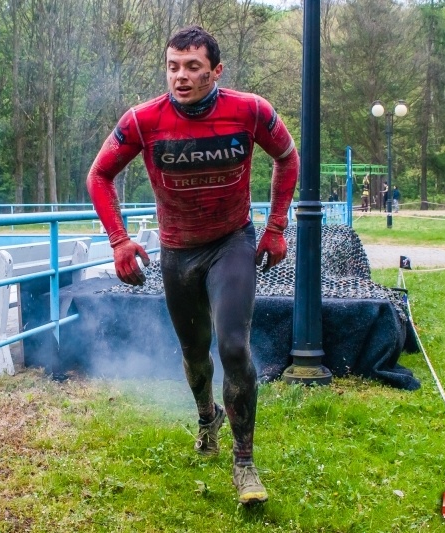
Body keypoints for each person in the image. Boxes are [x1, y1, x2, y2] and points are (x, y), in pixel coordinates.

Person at [86, 26, 298, 505]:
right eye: (173, 67)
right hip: (178, 251)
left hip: (232, 243)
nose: (181, 77)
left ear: (216, 71)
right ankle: (207, 416)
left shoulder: (251, 111)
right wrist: (119, 241)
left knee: (233, 347)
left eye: (193, 68)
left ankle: (244, 463)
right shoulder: (143, 121)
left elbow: (287, 157)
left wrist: (277, 226)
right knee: (196, 352)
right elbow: (99, 174)